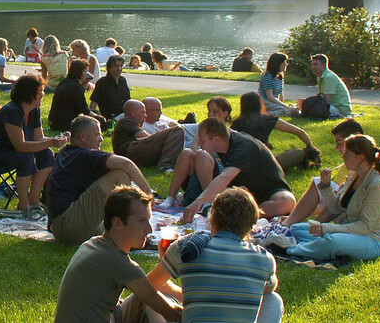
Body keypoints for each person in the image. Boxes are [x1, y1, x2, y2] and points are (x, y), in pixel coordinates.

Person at [52, 186, 183, 323]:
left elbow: (151, 287)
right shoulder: (117, 261)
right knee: (150, 304)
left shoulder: (93, 245)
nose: (149, 229)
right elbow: (170, 312)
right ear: (117, 223)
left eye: (149, 221)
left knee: (146, 299)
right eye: (141, 221)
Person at [155, 187, 284, 323]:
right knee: (273, 299)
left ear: (212, 217)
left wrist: (164, 260)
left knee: (147, 298)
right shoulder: (264, 259)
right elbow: (268, 288)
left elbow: (150, 286)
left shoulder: (186, 247)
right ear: (252, 225)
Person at [47, 115, 153, 245]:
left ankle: (123, 228)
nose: (101, 139)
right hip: (68, 226)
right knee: (120, 174)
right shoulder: (84, 154)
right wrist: (148, 195)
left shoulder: (67, 152)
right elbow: (126, 164)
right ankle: (127, 230)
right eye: (97, 134)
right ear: (83, 137)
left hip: (59, 227)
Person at [285, 134, 380, 261]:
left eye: (347, 154)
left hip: (373, 239)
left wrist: (327, 228)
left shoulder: (376, 185)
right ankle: (316, 246)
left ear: (360, 158)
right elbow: (337, 208)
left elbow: (365, 226)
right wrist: (326, 186)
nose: (343, 157)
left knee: (331, 241)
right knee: (296, 229)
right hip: (349, 232)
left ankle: (292, 249)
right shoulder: (354, 175)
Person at [283, 118, 380, 230]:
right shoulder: (351, 166)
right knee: (318, 183)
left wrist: (325, 225)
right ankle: (294, 224)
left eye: (340, 143)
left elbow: (375, 205)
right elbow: (336, 200)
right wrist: (325, 186)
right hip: (355, 214)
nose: (336, 148)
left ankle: (311, 228)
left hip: (379, 221)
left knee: (326, 236)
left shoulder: (379, 165)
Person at [0, 74, 67, 213]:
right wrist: (51, 142)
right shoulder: (12, 111)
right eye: (41, 91)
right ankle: (23, 203)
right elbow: (20, 146)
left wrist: (56, 140)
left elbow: (38, 138)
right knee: (26, 157)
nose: (43, 94)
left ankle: (34, 199)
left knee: (47, 154)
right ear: (30, 93)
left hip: (9, 152)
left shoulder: (34, 110)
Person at [178, 118, 295, 224]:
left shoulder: (243, 147)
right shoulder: (224, 141)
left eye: (202, 140)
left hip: (270, 190)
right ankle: (242, 214)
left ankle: (248, 216)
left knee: (287, 201)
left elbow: (225, 177)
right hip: (242, 192)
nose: (199, 143)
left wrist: (198, 202)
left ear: (216, 139)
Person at [231, 92, 320, 171]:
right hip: (266, 164)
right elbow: (300, 132)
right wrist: (311, 147)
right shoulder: (268, 119)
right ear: (260, 104)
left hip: (242, 165)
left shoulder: (236, 123)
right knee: (299, 153)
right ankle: (309, 156)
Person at [112, 100, 187, 171]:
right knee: (177, 130)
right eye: (143, 112)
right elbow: (145, 136)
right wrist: (163, 138)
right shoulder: (127, 121)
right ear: (133, 113)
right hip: (130, 150)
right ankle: (165, 166)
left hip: (132, 153)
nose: (145, 115)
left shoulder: (128, 122)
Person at [48, 59, 108, 131]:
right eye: (85, 71)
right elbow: (85, 110)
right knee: (98, 119)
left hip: (54, 120)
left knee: (95, 112)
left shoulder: (65, 82)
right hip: (63, 123)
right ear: (81, 72)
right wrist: (99, 118)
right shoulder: (76, 87)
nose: (87, 73)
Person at [305, 53, 352, 118]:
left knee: (311, 110)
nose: (313, 67)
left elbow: (325, 100)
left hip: (340, 110)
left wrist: (309, 104)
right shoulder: (320, 77)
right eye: (312, 64)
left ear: (324, 65)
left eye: (316, 64)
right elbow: (320, 96)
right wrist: (306, 102)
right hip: (332, 106)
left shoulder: (329, 77)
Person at [257, 52, 299, 118]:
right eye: (284, 62)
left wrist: (284, 104)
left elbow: (280, 94)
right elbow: (270, 97)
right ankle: (264, 116)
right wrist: (286, 107)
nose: (286, 64)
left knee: (293, 109)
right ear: (277, 63)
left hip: (273, 102)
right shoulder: (267, 76)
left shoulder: (280, 76)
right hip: (264, 101)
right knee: (283, 110)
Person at [91, 54, 131, 122]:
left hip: (125, 114)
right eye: (115, 66)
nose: (119, 69)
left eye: (121, 66)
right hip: (112, 116)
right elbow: (94, 102)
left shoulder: (122, 81)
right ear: (109, 68)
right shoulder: (103, 82)